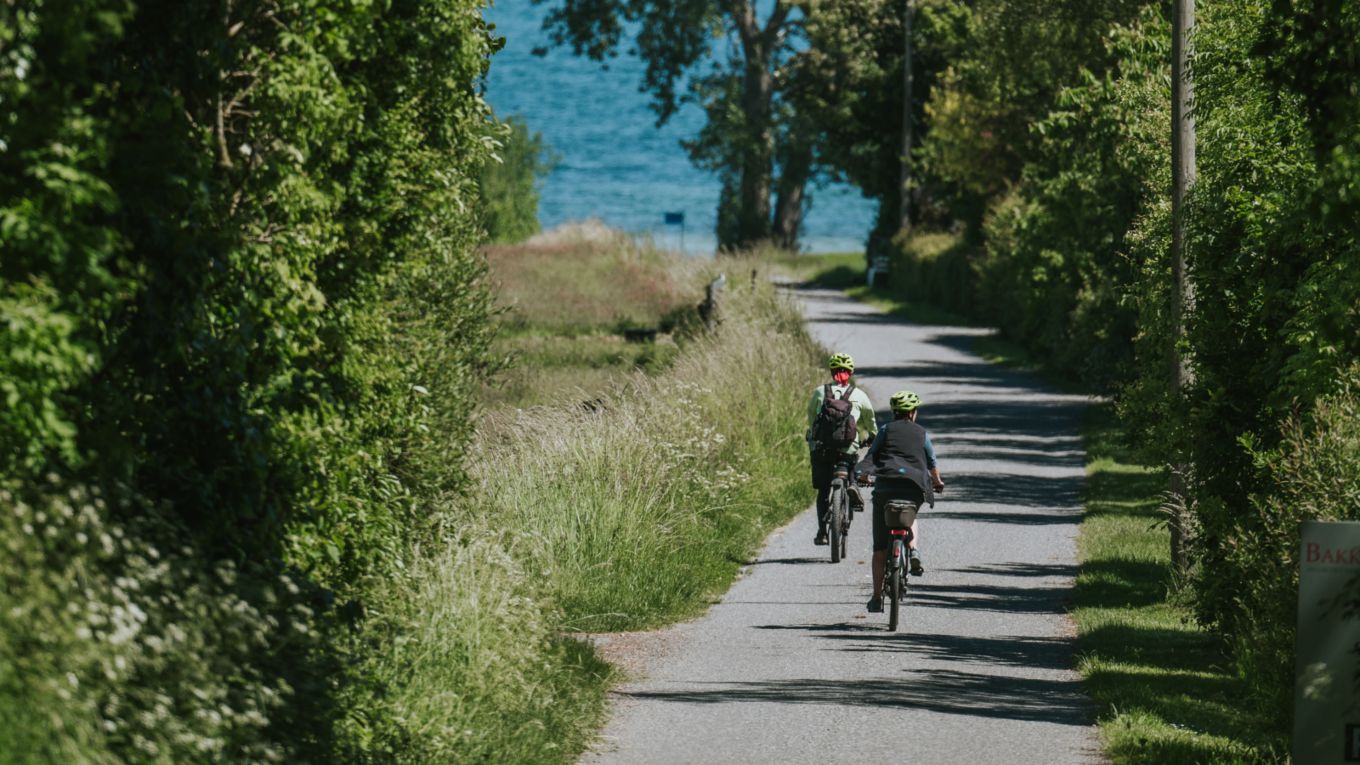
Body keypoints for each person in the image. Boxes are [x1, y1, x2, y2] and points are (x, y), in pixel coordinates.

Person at [856, 389, 945, 613]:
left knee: (879, 549)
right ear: (913, 413)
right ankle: (913, 549)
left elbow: (872, 456)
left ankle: (877, 598)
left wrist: (865, 476)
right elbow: (931, 461)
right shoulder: (922, 433)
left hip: (886, 486)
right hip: (914, 486)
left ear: (895, 412)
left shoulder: (885, 430)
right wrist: (937, 482)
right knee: (911, 512)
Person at [806, 353, 877, 546]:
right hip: (848, 446)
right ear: (851, 372)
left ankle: (822, 532)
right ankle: (852, 483)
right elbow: (871, 422)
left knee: (823, 491)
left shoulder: (820, 392)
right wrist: (871, 437)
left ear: (832, 372)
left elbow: (812, 419)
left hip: (823, 448)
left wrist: (813, 436)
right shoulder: (859, 395)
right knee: (850, 458)